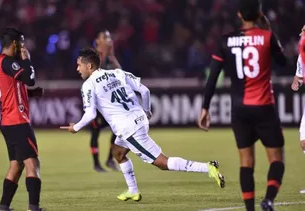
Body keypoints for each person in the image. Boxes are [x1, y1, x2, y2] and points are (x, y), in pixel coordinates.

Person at [61, 48, 225, 202]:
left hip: (129, 129)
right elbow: (145, 91)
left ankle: (208, 167)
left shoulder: (89, 85)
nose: (77, 69)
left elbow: (91, 114)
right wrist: (146, 111)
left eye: (79, 65)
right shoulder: (117, 73)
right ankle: (133, 191)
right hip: (139, 118)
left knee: (162, 163)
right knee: (117, 152)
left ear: (89, 65)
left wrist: (75, 127)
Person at [198, 0, 287, 210]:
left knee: (246, 162)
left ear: (239, 14)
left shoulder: (225, 41)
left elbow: (213, 77)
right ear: (259, 14)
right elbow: (284, 63)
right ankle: (269, 199)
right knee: (276, 159)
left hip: (239, 110)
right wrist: (269, 30)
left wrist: (205, 107)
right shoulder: (267, 37)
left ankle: (249, 209)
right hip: (264, 107)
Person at [0, 28, 43, 211]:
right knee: (33, 163)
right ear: (15, 43)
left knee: (16, 166)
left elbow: (14, 88)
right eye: (21, 43)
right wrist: (27, 59)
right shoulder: (7, 62)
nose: (23, 47)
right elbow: (29, 78)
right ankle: (34, 207)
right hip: (17, 121)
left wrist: (30, 93)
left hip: (8, 121)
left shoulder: (0, 62)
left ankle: (3, 207)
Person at [89, 30, 121, 172]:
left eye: (109, 37)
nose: (108, 40)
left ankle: (109, 159)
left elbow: (121, 75)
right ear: (98, 41)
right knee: (95, 132)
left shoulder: (109, 57)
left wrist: (112, 56)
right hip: (95, 103)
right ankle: (96, 164)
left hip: (108, 102)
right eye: (105, 37)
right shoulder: (93, 56)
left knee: (117, 129)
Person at [291, 25, 305, 194]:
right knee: (303, 142)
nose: (300, 33)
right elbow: (299, 76)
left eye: (303, 31)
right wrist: (296, 82)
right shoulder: (301, 56)